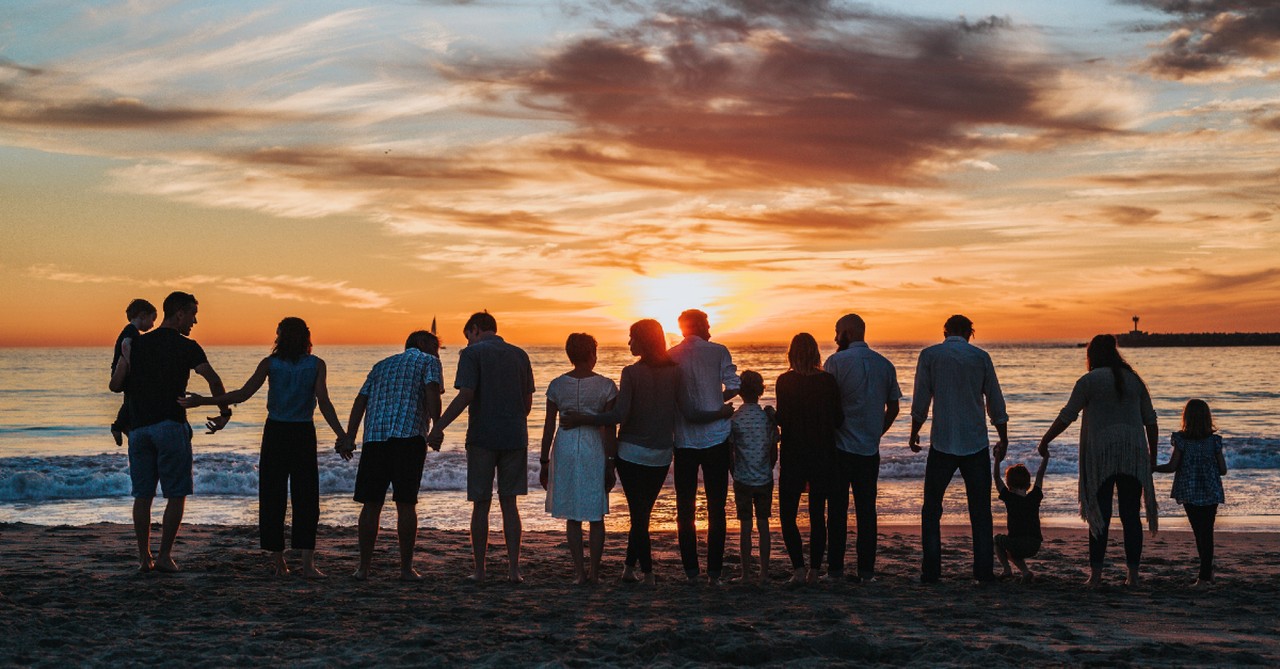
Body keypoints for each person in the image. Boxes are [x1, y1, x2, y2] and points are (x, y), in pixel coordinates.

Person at [562, 319, 726, 585]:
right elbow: (690, 413)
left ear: (644, 341)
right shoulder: (675, 372)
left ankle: (648, 573)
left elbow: (617, 415)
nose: (629, 343)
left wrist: (582, 418)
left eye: (632, 338)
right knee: (641, 513)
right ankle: (629, 568)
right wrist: (720, 411)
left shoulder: (630, 373)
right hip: (661, 456)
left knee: (639, 515)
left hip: (631, 454)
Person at [179, 317, 346, 577]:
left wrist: (206, 401)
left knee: (272, 496)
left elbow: (242, 395)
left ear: (280, 337)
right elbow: (324, 402)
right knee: (306, 497)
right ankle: (308, 565)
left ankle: (280, 563)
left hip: (277, 433)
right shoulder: (315, 364)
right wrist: (341, 434)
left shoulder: (271, 364)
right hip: (302, 433)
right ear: (306, 337)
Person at [109, 291, 231, 573]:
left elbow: (117, 385)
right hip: (170, 426)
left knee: (143, 496)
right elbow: (213, 379)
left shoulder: (136, 344)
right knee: (176, 494)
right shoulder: (187, 346)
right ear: (179, 314)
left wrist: (127, 361)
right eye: (192, 314)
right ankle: (164, 556)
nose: (195, 321)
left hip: (139, 429)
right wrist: (224, 413)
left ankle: (144, 558)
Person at [1037, 334, 1158, 587]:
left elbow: (1067, 416)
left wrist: (1046, 439)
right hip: (1132, 455)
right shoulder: (1134, 381)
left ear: (1092, 355)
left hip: (1100, 456)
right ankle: (1133, 576)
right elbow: (1150, 421)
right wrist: (1152, 456)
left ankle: (1096, 575)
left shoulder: (1089, 381)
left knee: (1099, 514)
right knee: (1130, 516)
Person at [428, 312, 535, 583]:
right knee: (509, 504)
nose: (469, 341)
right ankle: (513, 570)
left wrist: (438, 426)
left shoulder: (471, 354)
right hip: (515, 436)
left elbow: (466, 394)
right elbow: (527, 405)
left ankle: (480, 571)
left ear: (475, 330)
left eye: (468, 336)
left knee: (481, 504)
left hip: (483, 437)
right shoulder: (520, 355)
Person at [909, 314, 1008, 583]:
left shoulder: (930, 356)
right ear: (970, 333)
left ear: (945, 331)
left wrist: (914, 431)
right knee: (980, 511)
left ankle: (931, 572)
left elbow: (921, 399)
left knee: (932, 509)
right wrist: (1003, 436)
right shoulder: (980, 357)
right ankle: (983, 573)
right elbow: (995, 401)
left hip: (942, 441)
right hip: (975, 442)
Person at [338, 330, 443, 581]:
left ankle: (363, 568)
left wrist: (349, 437)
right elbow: (431, 390)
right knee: (406, 504)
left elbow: (360, 401)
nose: (438, 352)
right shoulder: (429, 361)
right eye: (436, 346)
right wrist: (437, 426)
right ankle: (406, 569)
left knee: (371, 504)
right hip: (408, 437)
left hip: (375, 439)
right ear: (421, 343)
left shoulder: (381, 365)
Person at [822, 314, 900, 582]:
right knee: (867, 512)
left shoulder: (834, 362)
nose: (834, 338)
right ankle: (866, 571)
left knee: (837, 512)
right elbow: (894, 407)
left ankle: (835, 571)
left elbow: (826, 405)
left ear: (849, 332)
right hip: (869, 449)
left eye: (837, 332)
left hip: (841, 448)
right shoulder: (884, 364)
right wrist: (878, 432)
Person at [538, 333, 618, 585]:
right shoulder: (606, 386)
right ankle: (594, 573)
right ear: (592, 355)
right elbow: (611, 429)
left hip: (565, 446)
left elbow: (549, 426)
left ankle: (578, 573)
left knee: (573, 514)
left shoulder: (557, 385)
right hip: (595, 447)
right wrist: (611, 462)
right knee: (596, 514)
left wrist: (543, 461)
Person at [669, 309, 741, 585]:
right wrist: (716, 399)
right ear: (701, 325)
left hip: (684, 440)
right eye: (708, 323)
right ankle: (713, 572)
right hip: (716, 439)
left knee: (684, 507)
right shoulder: (719, 351)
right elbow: (734, 384)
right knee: (716, 507)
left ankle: (690, 571)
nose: (710, 327)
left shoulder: (671, 355)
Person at [775, 333, 844, 585]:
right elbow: (838, 420)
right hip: (823, 454)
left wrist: (772, 415)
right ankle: (815, 570)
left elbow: (782, 418)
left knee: (788, 514)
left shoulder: (784, 381)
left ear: (792, 354)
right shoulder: (827, 381)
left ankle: (798, 570)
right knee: (818, 515)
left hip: (794, 454)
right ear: (816, 353)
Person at [1154, 399, 1226, 586]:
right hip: (1210, 490)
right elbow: (1223, 469)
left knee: (1198, 531)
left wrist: (1153, 468)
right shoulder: (1214, 442)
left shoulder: (1181, 440)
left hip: (1189, 490)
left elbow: (1172, 466)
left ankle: (1204, 576)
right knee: (1206, 531)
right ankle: (1207, 572)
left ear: (1186, 418)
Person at [728, 370, 777, 585]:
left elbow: (731, 451)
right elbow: (774, 449)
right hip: (764, 478)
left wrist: (734, 472)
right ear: (760, 390)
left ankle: (746, 574)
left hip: (743, 479)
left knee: (745, 527)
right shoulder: (767, 418)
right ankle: (764, 573)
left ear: (740, 392)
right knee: (764, 524)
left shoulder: (735, 418)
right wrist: (768, 467)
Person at [993, 454, 1048, 582]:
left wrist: (997, 458)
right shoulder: (1034, 496)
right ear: (1028, 484)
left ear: (1009, 485)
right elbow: (1040, 474)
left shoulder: (1009, 498)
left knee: (997, 540)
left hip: (1017, 543)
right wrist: (1046, 457)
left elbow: (996, 477)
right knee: (1012, 551)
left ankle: (1007, 570)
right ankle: (1025, 572)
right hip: (1035, 544)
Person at [110, 298, 158, 446]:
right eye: (152, 319)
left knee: (130, 399)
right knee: (132, 398)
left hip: (124, 371)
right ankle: (118, 426)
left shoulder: (130, 330)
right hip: (124, 372)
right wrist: (132, 364)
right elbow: (125, 345)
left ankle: (122, 425)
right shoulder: (131, 331)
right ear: (142, 315)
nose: (152, 324)